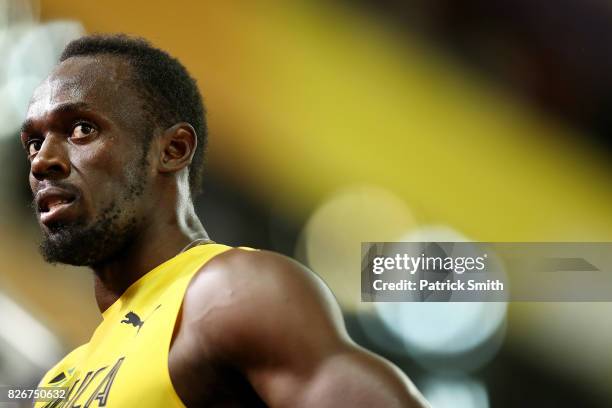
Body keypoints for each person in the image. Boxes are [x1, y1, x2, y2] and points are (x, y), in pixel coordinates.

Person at [21, 34, 429, 407]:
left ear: (173, 150)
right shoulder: (59, 383)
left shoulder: (230, 292)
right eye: (34, 143)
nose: (42, 161)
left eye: (81, 129)